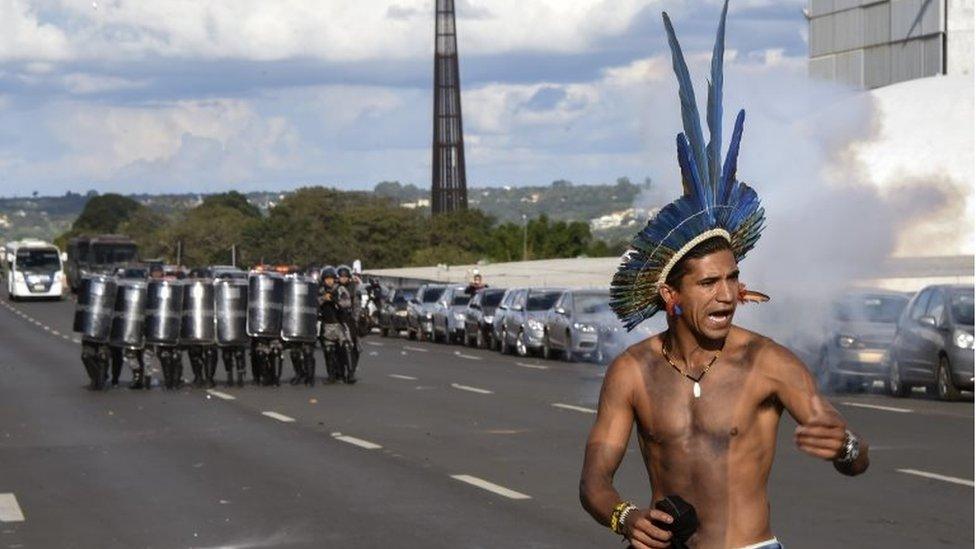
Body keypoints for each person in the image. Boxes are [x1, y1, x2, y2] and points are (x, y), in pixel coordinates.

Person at [578, 5, 869, 548]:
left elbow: (850, 452)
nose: (729, 294)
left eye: (733, 278)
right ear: (671, 294)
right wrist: (624, 517)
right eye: (709, 283)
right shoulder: (632, 373)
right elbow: (594, 480)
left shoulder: (769, 363)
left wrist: (847, 447)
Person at [318, 266, 355, 383]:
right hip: (327, 324)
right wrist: (323, 298)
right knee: (328, 351)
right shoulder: (320, 291)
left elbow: (347, 303)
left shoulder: (340, 289)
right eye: (326, 279)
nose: (329, 281)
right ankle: (331, 375)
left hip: (340, 324)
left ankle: (349, 374)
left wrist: (335, 299)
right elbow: (314, 302)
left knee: (346, 347)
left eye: (331, 278)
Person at [337, 264, 361, 381]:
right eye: (341, 277)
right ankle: (339, 371)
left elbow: (357, 305)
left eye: (345, 277)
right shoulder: (335, 288)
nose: (343, 279)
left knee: (354, 346)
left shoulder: (353, 289)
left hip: (349, 319)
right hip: (336, 320)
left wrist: (355, 319)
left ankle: (351, 372)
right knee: (337, 347)